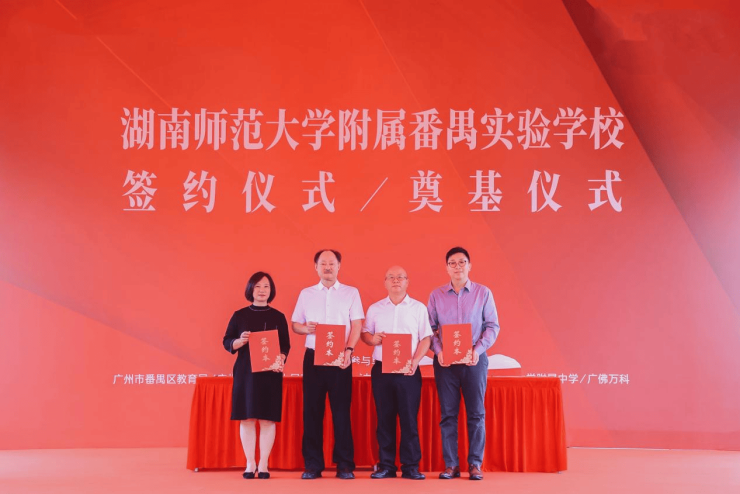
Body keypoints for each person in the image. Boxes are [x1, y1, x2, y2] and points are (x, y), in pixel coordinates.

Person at [428, 247, 500, 481]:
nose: (457, 266)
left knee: (476, 414)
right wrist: (438, 351)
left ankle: (475, 464)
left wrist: (477, 351)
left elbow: (492, 326)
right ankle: (451, 465)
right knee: (448, 415)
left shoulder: (483, 293)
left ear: (469, 266)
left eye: (462, 262)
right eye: (452, 263)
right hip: (445, 364)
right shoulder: (436, 295)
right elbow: (429, 328)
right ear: (446, 268)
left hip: (474, 362)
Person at [292, 249, 364, 479]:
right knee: (312, 412)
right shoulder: (306, 294)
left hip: (341, 358)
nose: (327, 267)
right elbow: (295, 324)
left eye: (331, 263)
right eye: (323, 263)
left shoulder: (351, 293)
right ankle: (313, 465)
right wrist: (306, 328)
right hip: (313, 357)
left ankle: (345, 464)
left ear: (339, 266)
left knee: (341, 412)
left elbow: (357, 324)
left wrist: (349, 350)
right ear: (316, 267)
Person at [361, 266, 432, 480]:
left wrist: (415, 361)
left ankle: (411, 466)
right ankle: (386, 466)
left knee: (409, 419)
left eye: (400, 277)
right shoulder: (375, 308)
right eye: (391, 277)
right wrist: (372, 340)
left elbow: (426, 338)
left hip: (408, 371)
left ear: (407, 282)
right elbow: (365, 333)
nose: (395, 280)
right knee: (384, 419)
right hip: (382, 370)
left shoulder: (418, 308)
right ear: (385, 282)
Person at [222, 272, 290, 480]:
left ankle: (264, 464)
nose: (262, 290)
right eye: (258, 286)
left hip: (270, 374)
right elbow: (227, 341)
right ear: (250, 289)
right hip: (246, 374)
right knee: (248, 418)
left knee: (268, 420)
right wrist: (239, 341)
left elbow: (285, 345)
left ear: (271, 290)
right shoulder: (239, 315)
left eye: (266, 286)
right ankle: (250, 463)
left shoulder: (278, 316)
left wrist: (281, 358)